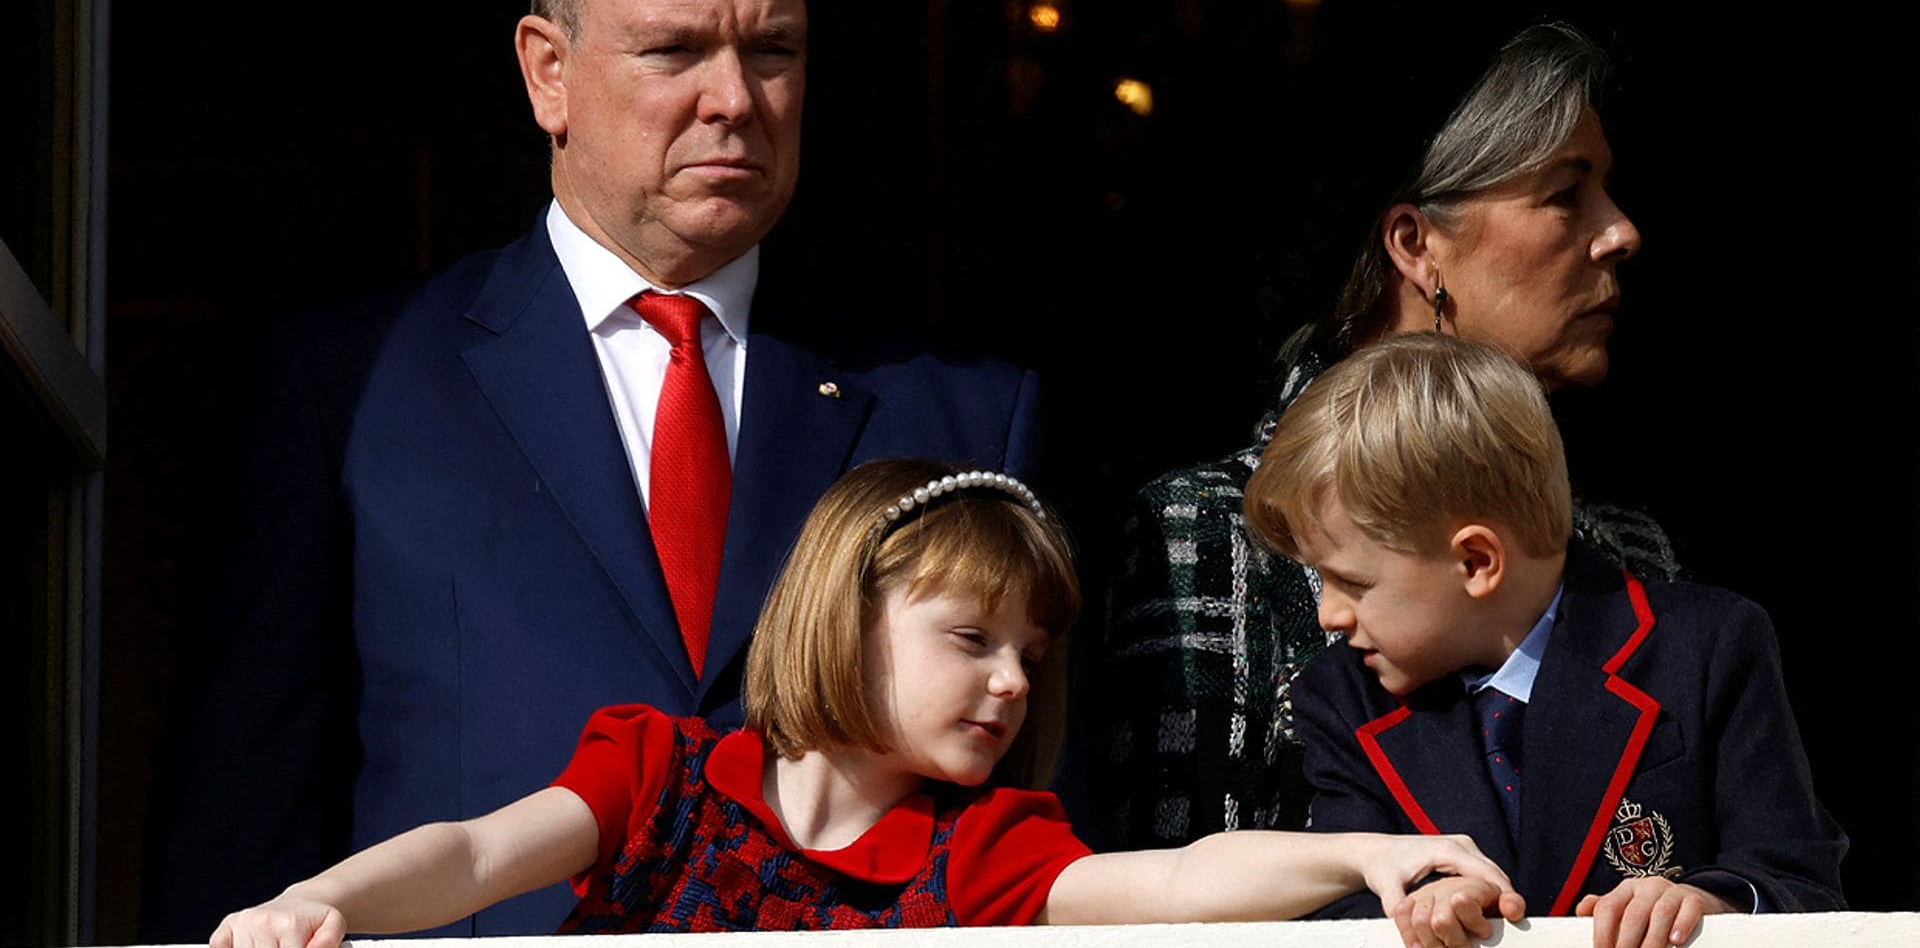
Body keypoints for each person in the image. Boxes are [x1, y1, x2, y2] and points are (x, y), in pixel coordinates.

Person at [143, 0, 1044, 938]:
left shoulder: (957, 418)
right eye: (674, 50)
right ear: (548, 74)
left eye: (774, 51)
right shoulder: (347, 386)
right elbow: (243, 819)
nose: (735, 100)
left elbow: (1034, 850)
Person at [208, 458, 1520, 945]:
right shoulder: (658, 773)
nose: (1012, 681)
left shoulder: (983, 849)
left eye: (1032, 652)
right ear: (848, 612)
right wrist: (312, 907)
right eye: (970, 637)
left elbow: (1179, 880)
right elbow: (477, 855)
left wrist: (1371, 852)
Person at [1100, 21, 1680, 850]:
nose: (1621, 231)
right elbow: (1183, 904)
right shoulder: (1209, 535)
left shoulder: (1628, 561)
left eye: (1606, 190)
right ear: (1416, 246)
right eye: (1564, 193)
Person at [1241, 335, 1846, 948]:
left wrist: (1708, 902)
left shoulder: (1708, 647)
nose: (1327, 615)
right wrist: (1422, 911)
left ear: (1476, 561)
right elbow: (1335, 904)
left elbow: (1797, 878)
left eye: (1351, 581)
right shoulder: (1341, 699)